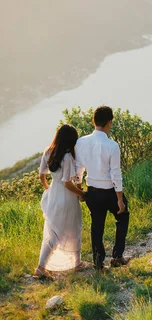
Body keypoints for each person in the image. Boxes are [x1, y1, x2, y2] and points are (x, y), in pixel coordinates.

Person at [75, 105, 130, 270]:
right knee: (123, 216)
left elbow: (78, 169)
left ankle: (98, 263)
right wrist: (120, 199)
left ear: (93, 121)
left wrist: (80, 191)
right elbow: (115, 174)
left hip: (92, 192)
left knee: (97, 226)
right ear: (109, 123)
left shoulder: (81, 142)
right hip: (110, 192)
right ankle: (117, 256)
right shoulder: (112, 145)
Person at [34, 124, 83, 278]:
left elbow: (41, 175)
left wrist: (48, 188)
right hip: (66, 197)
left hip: (54, 194)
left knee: (53, 230)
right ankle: (75, 263)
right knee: (72, 227)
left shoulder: (48, 151)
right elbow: (67, 183)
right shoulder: (67, 157)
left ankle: (42, 267)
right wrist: (82, 193)